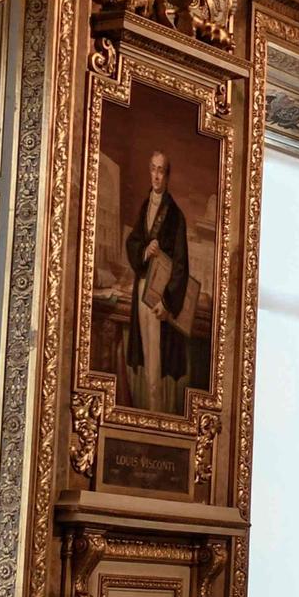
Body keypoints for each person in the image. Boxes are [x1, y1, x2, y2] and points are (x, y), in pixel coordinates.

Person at [124, 150, 191, 414]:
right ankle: (145, 415)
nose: (156, 175)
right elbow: (133, 241)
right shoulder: (144, 206)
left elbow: (181, 264)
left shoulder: (175, 215)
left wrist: (168, 302)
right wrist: (144, 251)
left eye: (161, 170)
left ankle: (156, 418)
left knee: (157, 361)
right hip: (142, 288)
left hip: (160, 297)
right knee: (145, 355)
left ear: (167, 175)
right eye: (153, 169)